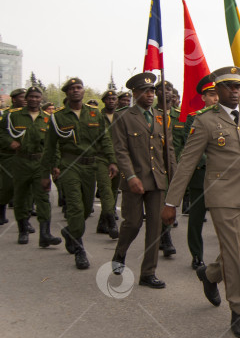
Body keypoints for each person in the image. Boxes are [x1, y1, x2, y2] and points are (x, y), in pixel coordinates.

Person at [161, 67, 240, 338]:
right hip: (222, 196)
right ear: (218, 90)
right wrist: (171, 201)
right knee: (235, 253)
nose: (235, 92)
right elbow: (187, 162)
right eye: (229, 88)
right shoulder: (205, 121)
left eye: (238, 87)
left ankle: (210, 274)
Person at [42, 78, 118, 270]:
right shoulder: (57, 117)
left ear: (83, 91)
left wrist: (111, 160)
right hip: (69, 165)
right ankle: (79, 249)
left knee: (85, 209)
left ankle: (70, 231)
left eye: (79, 87)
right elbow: (49, 148)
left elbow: (105, 139)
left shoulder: (94, 113)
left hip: (90, 166)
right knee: (75, 208)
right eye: (72, 89)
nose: (76, 91)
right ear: (66, 93)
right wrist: (46, 174)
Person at [110, 73, 176, 288]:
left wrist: (174, 180)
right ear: (134, 93)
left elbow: (169, 151)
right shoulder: (123, 117)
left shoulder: (161, 117)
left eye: (152, 91)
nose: (150, 95)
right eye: (145, 91)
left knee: (155, 227)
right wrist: (130, 176)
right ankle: (120, 253)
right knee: (133, 223)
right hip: (135, 181)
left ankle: (148, 273)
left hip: (157, 180)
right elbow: (120, 150)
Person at [4, 87, 61, 247]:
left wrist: (55, 164)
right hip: (21, 162)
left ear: (40, 99)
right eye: (31, 96)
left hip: (40, 163)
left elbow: (53, 144)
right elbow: (1, 133)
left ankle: (45, 234)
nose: (34, 99)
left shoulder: (48, 118)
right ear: (26, 98)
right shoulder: (13, 116)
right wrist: (9, 142)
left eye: (37, 97)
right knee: (20, 197)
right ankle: (23, 230)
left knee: (43, 197)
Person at [183, 75, 227, 270]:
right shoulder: (194, 118)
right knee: (196, 219)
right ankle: (196, 256)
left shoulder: (228, 118)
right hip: (201, 176)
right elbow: (191, 150)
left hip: (224, 178)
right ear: (203, 97)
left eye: (217, 94)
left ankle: (229, 256)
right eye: (211, 95)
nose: (215, 98)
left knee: (227, 220)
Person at [155, 81, 180, 257]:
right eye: (161, 89)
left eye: (168, 89)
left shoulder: (181, 116)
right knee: (162, 201)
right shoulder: (152, 114)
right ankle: (166, 237)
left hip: (176, 165)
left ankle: (162, 234)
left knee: (170, 200)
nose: (166, 92)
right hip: (156, 165)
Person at [0, 88, 27, 226]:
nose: (25, 99)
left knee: (26, 190)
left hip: (27, 157)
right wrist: (10, 143)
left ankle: (24, 221)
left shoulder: (30, 115)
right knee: (8, 187)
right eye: (22, 97)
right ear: (14, 99)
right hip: (9, 156)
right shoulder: (6, 115)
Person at [95, 89, 119, 239]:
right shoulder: (97, 116)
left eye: (114, 99)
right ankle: (111, 221)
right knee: (105, 189)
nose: (111, 101)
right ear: (104, 101)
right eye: (108, 99)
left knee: (114, 190)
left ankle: (102, 223)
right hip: (101, 157)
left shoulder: (122, 116)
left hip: (118, 157)